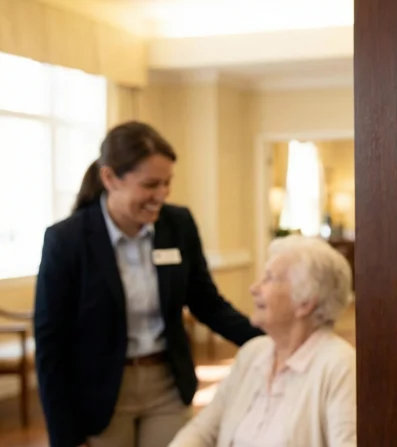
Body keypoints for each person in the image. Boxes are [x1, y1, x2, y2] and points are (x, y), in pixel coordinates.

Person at [33, 121, 264, 447]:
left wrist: (267, 340)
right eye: (150, 184)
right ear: (110, 178)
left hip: (167, 385)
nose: (162, 195)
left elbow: (206, 302)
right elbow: (51, 343)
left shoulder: (178, 225)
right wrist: (63, 437)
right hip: (99, 393)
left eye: (167, 183)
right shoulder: (66, 240)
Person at [169, 235, 356, 447]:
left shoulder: (339, 365)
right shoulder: (253, 352)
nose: (254, 288)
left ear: (305, 303)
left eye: (269, 278)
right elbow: (202, 430)